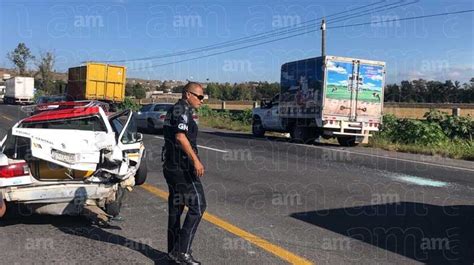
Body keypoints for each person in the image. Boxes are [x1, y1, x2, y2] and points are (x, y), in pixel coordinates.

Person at [162, 82, 206, 265]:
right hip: (182, 168)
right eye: (199, 97)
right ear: (188, 94)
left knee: (176, 208)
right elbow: (180, 136)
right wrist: (196, 160)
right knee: (198, 206)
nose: (202, 101)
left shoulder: (175, 109)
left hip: (170, 166)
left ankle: (173, 251)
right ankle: (182, 252)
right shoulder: (182, 109)